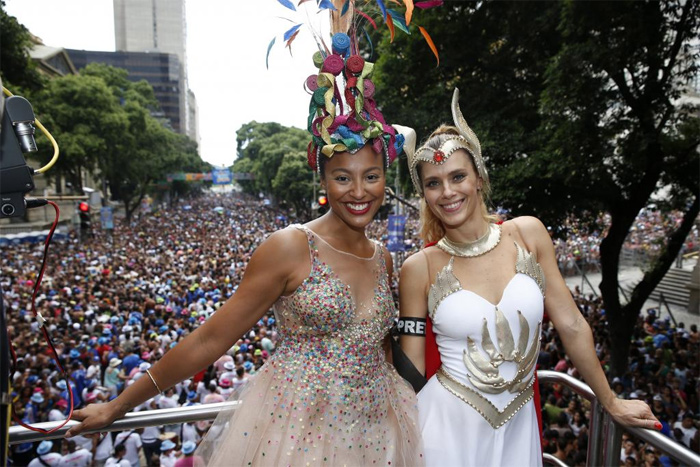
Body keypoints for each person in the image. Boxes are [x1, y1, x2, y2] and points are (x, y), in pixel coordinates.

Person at [65, 21, 422, 467]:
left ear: (386, 178)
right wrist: (118, 407)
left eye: (371, 177)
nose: (359, 191)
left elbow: (386, 349)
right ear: (323, 179)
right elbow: (210, 340)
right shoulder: (291, 246)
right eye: (342, 177)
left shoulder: (384, 256)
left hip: (378, 434)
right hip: (298, 437)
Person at [397, 88, 660, 466]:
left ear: (479, 178)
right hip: (445, 435)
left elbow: (570, 323)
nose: (448, 192)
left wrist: (610, 400)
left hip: (520, 428)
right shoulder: (418, 267)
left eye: (458, 176)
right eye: (433, 183)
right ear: (424, 193)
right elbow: (410, 371)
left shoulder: (528, 234)